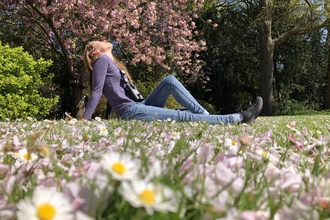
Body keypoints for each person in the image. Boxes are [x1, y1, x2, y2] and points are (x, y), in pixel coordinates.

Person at [82, 40, 263, 124]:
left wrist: (107, 117)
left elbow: (114, 94)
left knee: (169, 81)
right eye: (100, 41)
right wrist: (85, 119)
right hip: (131, 112)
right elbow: (97, 91)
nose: (105, 40)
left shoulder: (111, 63)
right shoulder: (101, 61)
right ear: (96, 52)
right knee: (183, 116)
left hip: (138, 105)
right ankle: (239, 118)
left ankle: (206, 117)